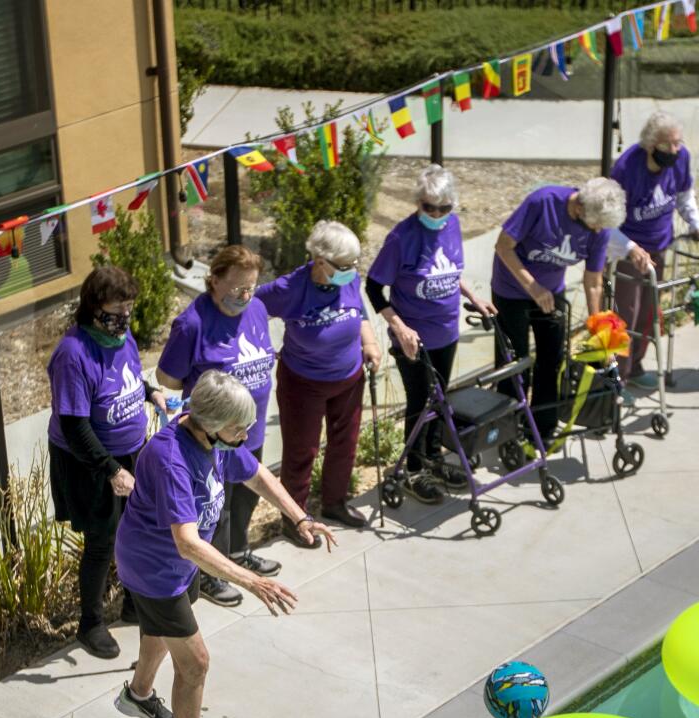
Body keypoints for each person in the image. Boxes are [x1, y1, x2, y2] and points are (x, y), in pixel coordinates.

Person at [112, 370, 335, 718]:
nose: (247, 434)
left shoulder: (214, 440)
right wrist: (254, 582)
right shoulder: (171, 458)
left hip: (177, 568)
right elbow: (187, 543)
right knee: (195, 662)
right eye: (241, 427)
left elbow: (256, 476)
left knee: (164, 630)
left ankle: (138, 695)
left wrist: (300, 516)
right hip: (154, 568)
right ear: (213, 424)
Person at [157, 244, 280, 606]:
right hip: (212, 436)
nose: (245, 296)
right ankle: (211, 573)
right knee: (215, 506)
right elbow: (168, 377)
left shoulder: (256, 309)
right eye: (238, 288)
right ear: (213, 281)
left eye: (251, 287)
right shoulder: (192, 323)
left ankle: (239, 552)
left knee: (246, 493)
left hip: (247, 429)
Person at [367, 164, 496, 504]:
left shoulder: (452, 225)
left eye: (444, 208)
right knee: (420, 401)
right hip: (414, 337)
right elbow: (374, 288)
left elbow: (451, 273)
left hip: (447, 330)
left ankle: (434, 460)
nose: (437, 214)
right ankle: (412, 470)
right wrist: (400, 327)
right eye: (429, 207)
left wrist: (474, 298)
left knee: (440, 397)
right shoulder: (401, 238)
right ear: (417, 203)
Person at [49, 266, 156, 657]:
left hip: (131, 451)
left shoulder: (121, 336)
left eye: (129, 306)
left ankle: (132, 602)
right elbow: (74, 425)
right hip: (91, 460)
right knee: (103, 540)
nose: (125, 315)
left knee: (136, 528)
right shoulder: (73, 354)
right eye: (118, 307)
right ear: (95, 306)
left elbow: (127, 378)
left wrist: (150, 392)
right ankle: (90, 623)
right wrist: (111, 470)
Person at [258, 219, 385, 544]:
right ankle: (294, 517)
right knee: (302, 450)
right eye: (343, 266)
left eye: (353, 265)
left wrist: (369, 342)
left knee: (346, 443)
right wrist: (258, 348)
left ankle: (335, 502)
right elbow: (250, 306)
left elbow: (359, 310)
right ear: (319, 261)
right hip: (304, 381)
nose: (350, 271)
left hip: (349, 377)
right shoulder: (289, 289)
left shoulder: (349, 277)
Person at [489, 177, 640, 419]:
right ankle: (509, 425)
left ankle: (542, 426)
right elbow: (503, 246)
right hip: (512, 289)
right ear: (579, 208)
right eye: (595, 226)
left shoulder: (599, 228)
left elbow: (593, 282)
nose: (598, 231)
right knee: (514, 364)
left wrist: (599, 329)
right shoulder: (543, 202)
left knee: (552, 360)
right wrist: (533, 287)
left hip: (551, 290)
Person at [611, 111, 699, 389]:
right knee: (627, 313)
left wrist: (698, 227)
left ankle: (634, 367)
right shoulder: (626, 168)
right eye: (668, 145)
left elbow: (684, 197)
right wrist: (630, 247)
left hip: (660, 245)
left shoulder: (681, 159)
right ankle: (617, 378)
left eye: (678, 143)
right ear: (650, 145)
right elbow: (608, 220)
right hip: (629, 250)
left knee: (649, 311)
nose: (675, 150)